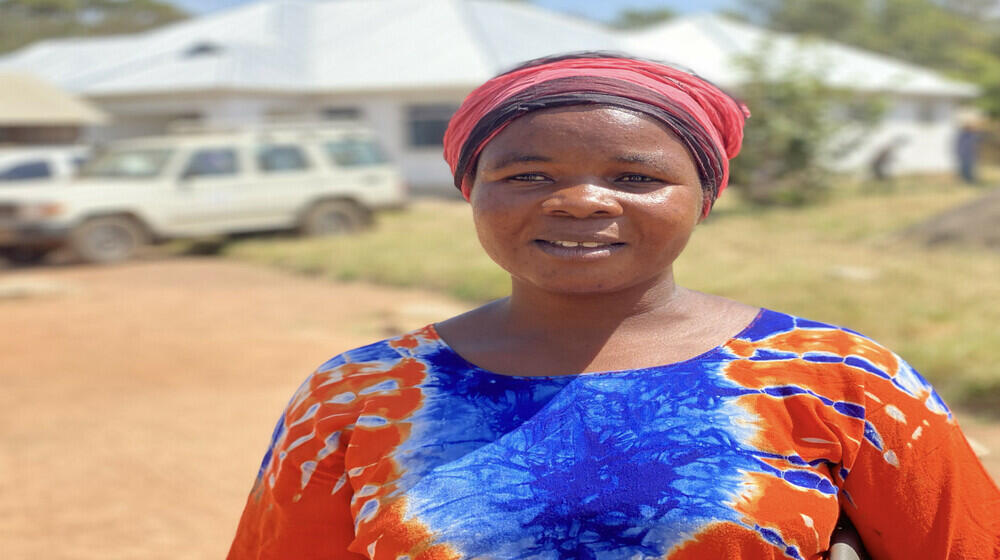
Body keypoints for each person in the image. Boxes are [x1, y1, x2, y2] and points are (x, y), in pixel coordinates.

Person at [228, 53, 1000, 559]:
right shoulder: (357, 396)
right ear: (471, 192)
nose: (579, 202)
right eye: (527, 175)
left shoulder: (839, 380)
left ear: (704, 198)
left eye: (635, 178)